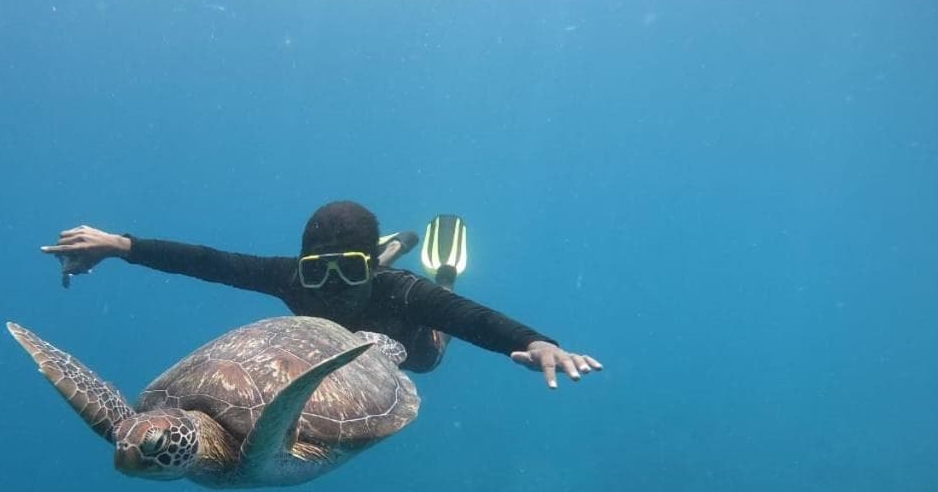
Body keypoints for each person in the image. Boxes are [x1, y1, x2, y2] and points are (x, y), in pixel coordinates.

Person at [41, 201, 601, 388]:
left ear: (369, 272)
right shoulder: (287, 275)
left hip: (411, 347)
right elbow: (209, 262)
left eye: (349, 271)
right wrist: (121, 244)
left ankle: (426, 261)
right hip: (361, 301)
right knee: (345, 273)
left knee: (438, 330)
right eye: (318, 272)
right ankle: (383, 247)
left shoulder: (404, 293)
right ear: (302, 266)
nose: (331, 288)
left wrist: (537, 342)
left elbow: (472, 318)